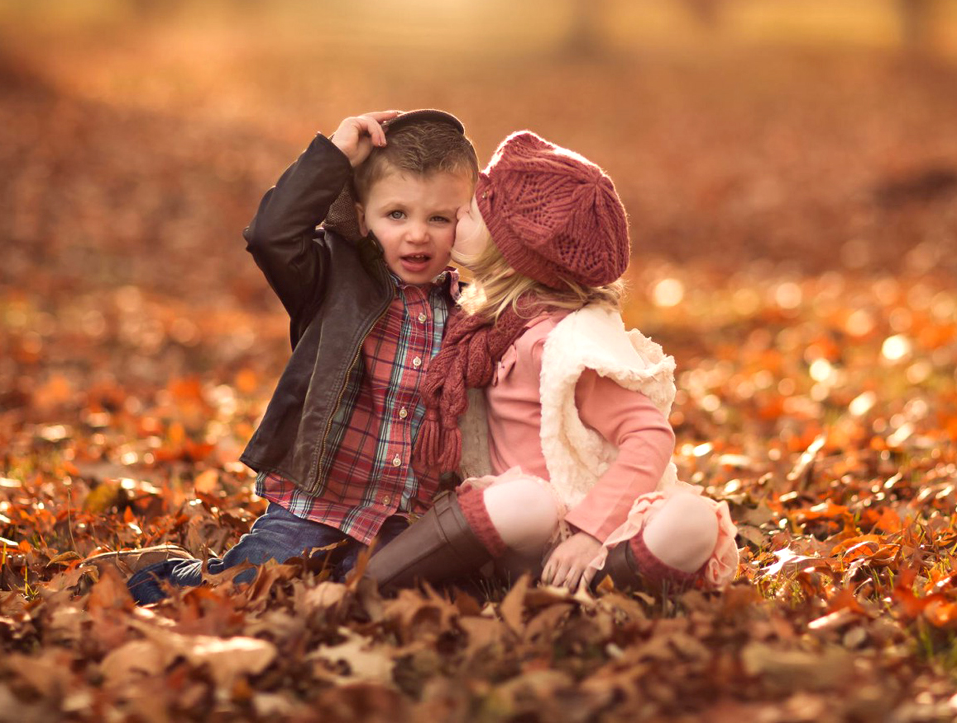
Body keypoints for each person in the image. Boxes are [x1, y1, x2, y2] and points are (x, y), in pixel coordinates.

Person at [86, 110, 479, 604]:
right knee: (249, 588)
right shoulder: (333, 276)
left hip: (405, 516)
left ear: (465, 222)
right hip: (316, 505)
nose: (417, 234)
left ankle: (343, 576)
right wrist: (333, 157)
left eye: (438, 218)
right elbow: (270, 235)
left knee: (381, 597)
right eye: (396, 214)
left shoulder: (472, 309)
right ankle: (159, 575)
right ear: (362, 215)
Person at [363, 130, 738, 594]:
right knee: (526, 503)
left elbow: (648, 436)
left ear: (511, 252)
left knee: (691, 520)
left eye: (475, 211)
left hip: (590, 526)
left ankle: (590, 585)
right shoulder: (484, 325)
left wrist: (587, 534)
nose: (459, 211)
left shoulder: (562, 344)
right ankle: (372, 583)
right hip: (519, 526)